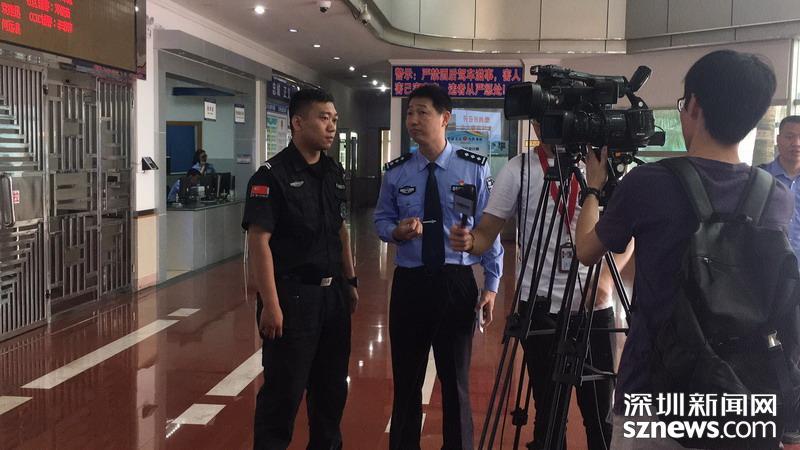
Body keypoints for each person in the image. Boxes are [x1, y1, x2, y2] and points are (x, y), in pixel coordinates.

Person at [574, 50, 796, 449]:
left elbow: (587, 250)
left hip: (652, 395)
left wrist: (593, 186)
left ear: (694, 105)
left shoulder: (649, 183)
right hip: (740, 395)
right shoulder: (776, 196)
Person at [450, 137, 632, 450]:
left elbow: (629, 236)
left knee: (601, 415)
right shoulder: (519, 169)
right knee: (549, 416)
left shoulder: (601, 166)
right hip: (539, 307)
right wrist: (469, 242)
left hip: (593, 310)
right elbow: (485, 236)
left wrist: (605, 280)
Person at [374, 83, 503, 450]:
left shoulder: (473, 168)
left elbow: (488, 229)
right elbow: (381, 219)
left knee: (456, 381)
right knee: (406, 380)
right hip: (410, 283)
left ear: (445, 118)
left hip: (455, 282)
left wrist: (491, 285)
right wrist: (395, 232)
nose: (413, 120)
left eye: (422, 112)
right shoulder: (397, 172)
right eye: (409, 113)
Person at [242, 88, 358, 450]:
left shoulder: (333, 172)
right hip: (292, 298)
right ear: (297, 122)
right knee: (284, 394)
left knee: (331, 392)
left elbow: (341, 230)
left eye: (334, 119)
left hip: (333, 298)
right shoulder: (271, 176)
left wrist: (350, 280)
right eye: (323, 118)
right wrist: (270, 304)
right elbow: (259, 241)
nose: (331, 127)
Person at [761, 115, 800, 259]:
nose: (796, 143)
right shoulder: (759, 178)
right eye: (789, 137)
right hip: (767, 262)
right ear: (778, 139)